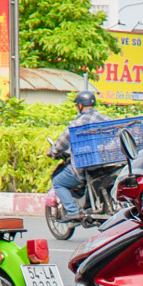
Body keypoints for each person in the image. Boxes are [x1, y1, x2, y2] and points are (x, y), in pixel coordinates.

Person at [46, 87, 109, 221]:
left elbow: (62, 142)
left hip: (85, 167)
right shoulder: (105, 118)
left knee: (58, 182)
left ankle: (74, 211)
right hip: (107, 164)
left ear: (80, 106)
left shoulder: (78, 123)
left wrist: (52, 151)